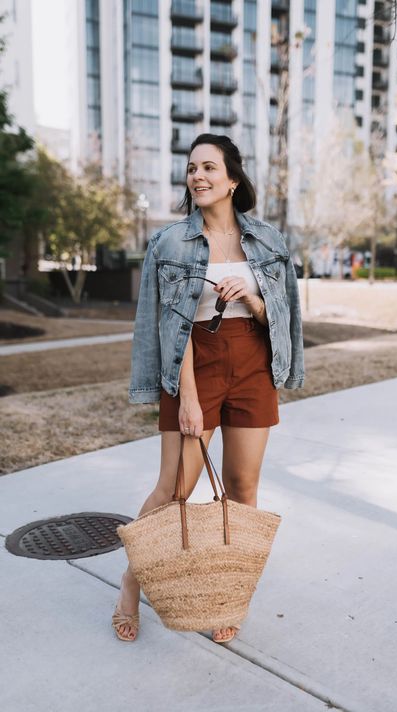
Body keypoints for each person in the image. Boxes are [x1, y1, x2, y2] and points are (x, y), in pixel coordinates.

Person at [112, 133, 304, 644]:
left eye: (208, 168)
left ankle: (230, 595)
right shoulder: (170, 242)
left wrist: (256, 299)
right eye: (192, 168)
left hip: (253, 364)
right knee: (174, 488)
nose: (197, 176)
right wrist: (190, 399)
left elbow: (285, 315)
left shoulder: (267, 240)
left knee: (243, 490)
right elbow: (167, 323)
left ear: (232, 180)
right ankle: (130, 584)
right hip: (193, 364)